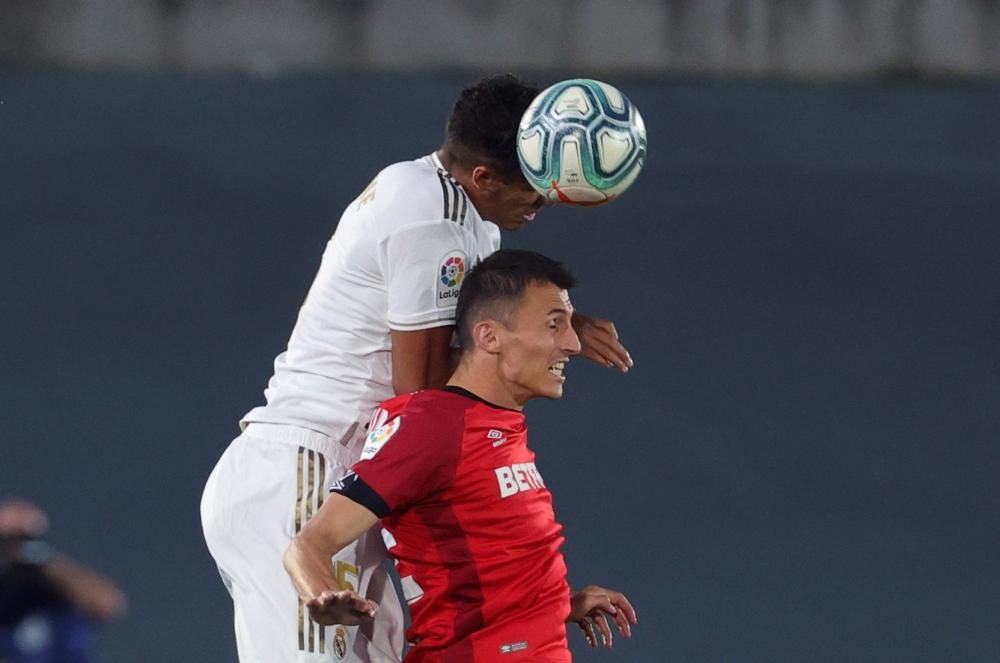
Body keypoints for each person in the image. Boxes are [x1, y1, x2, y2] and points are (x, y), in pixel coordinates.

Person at [200, 74, 633, 663]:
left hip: (345, 477)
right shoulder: (433, 216)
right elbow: (425, 397)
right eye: (533, 183)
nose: (545, 197)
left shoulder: (461, 213)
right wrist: (533, 344)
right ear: (483, 176)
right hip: (309, 469)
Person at [284, 249, 637, 662]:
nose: (573, 344)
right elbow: (308, 544)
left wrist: (555, 606)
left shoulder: (496, 425)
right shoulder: (433, 426)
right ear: (489, 336)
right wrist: (322, 590)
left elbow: (485, 564)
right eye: (554, 325)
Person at [0, 499, 127, 663]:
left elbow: (109, 604)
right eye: (4, 542)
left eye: (20, 540)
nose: (12, 549)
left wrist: (39, 560)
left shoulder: (59, 587)